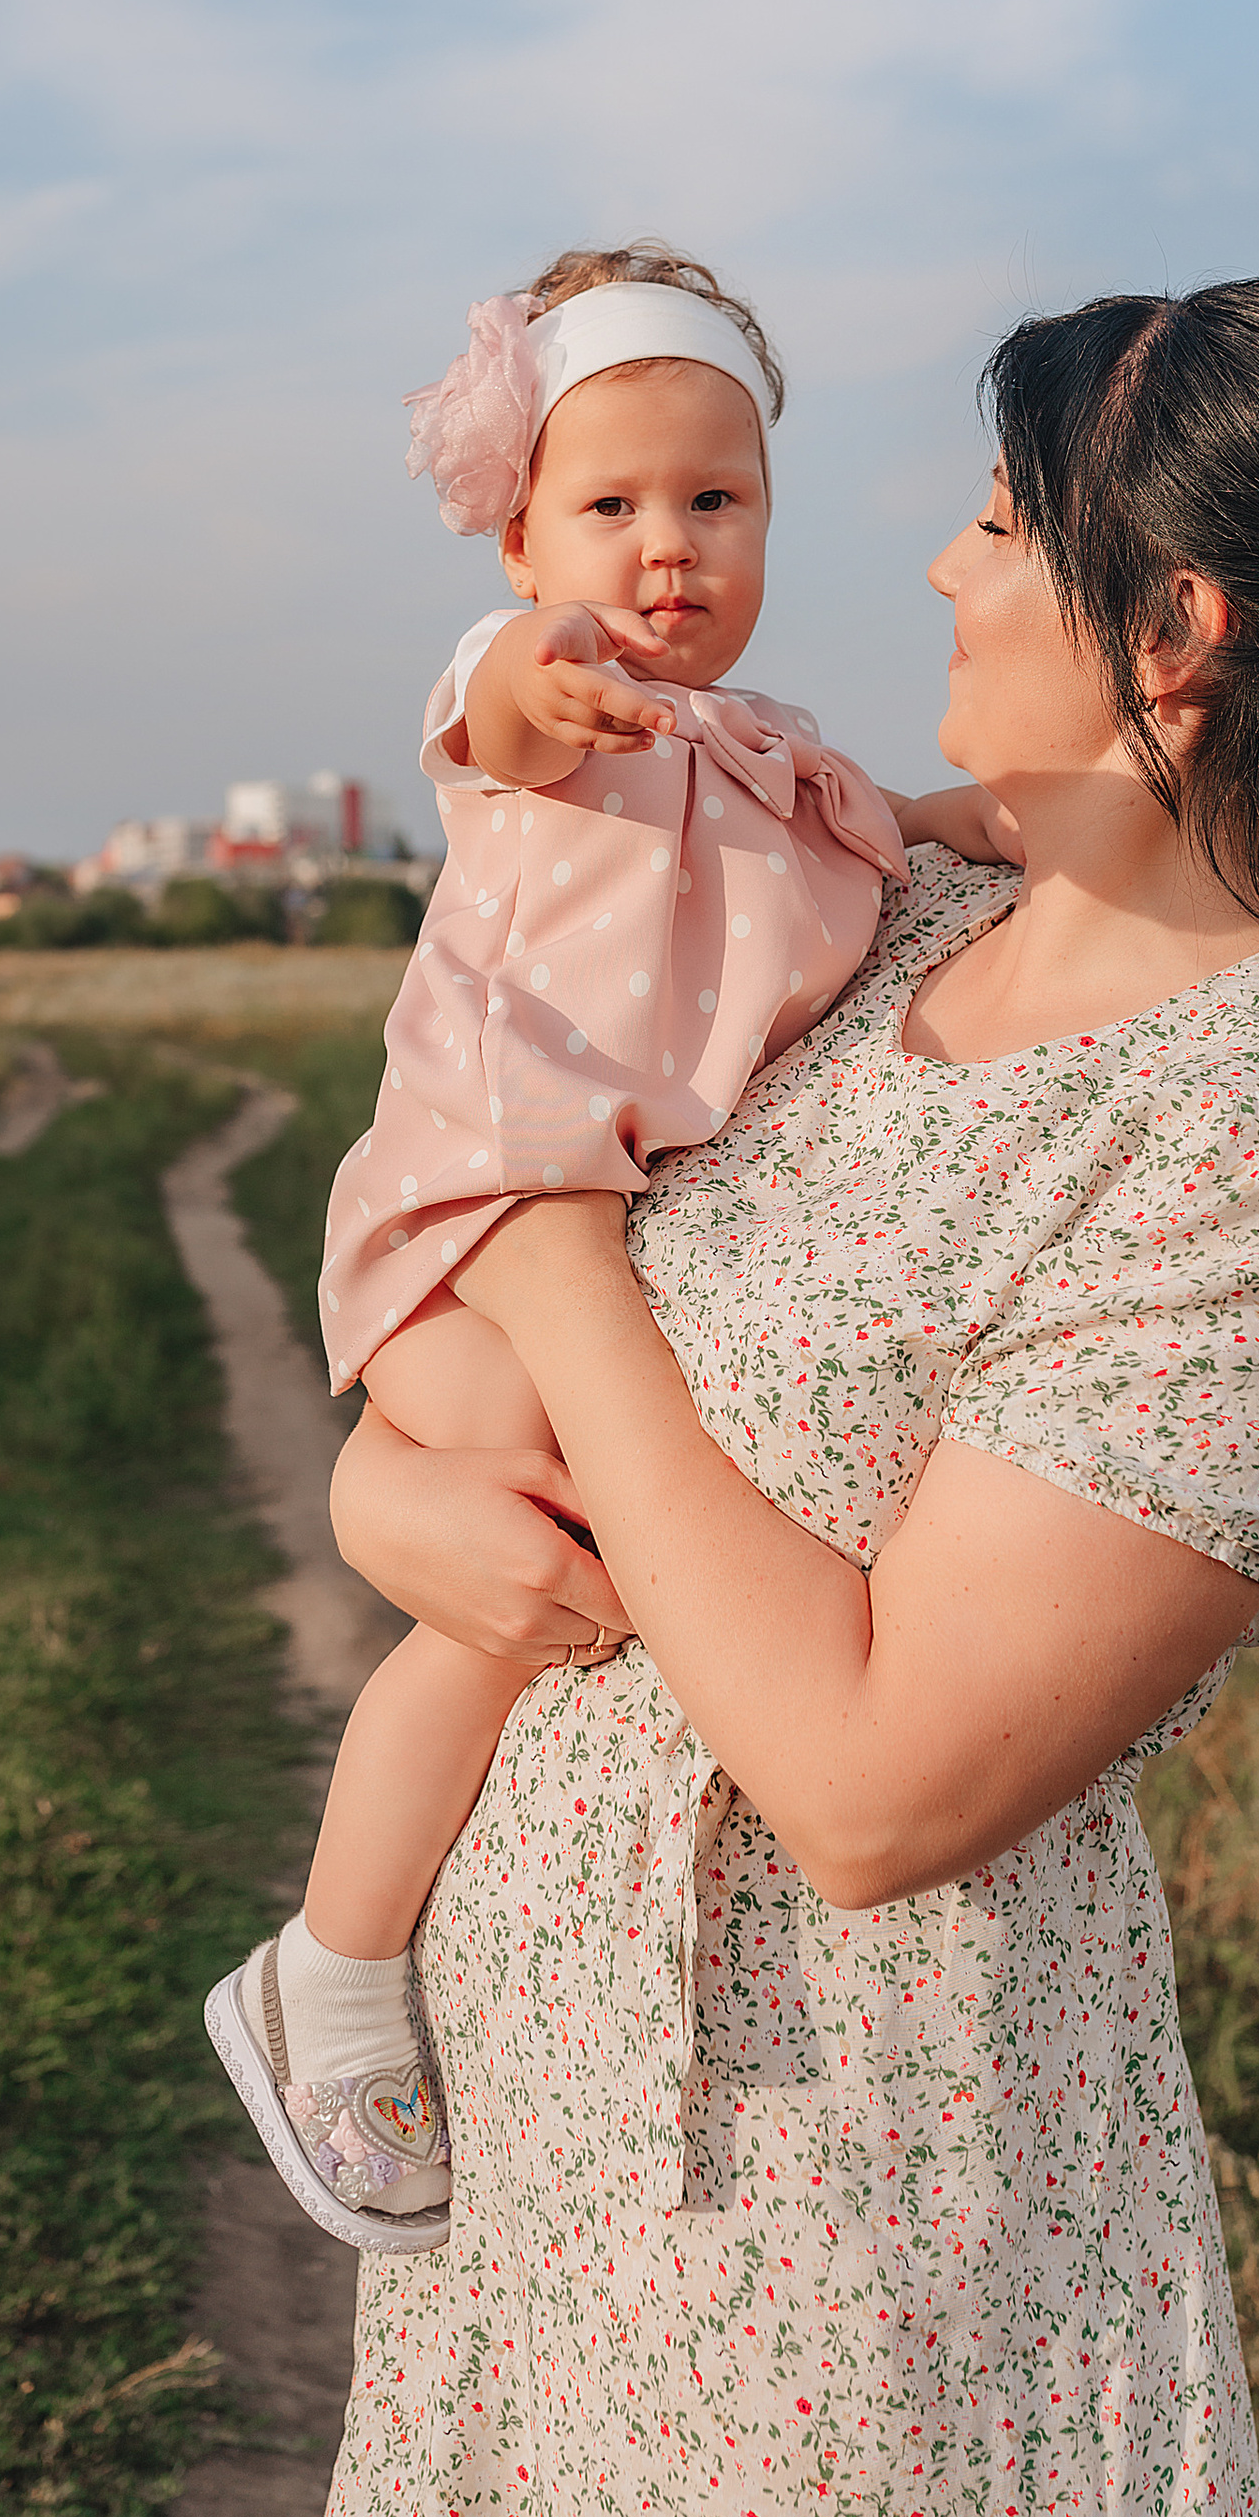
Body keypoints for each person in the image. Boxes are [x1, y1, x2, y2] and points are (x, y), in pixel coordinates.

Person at [248, 272, 1259, 2517]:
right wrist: (390, 1492)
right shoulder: (896, 931)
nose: (943, 564)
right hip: (571, 2183)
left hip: (856, 2239)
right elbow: (573, 1340)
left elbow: (872, 1781)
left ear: (1171, 629)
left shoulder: (1253, 1164)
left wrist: (536, 1260)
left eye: (999, 522)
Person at [208, 248, 1007, 2241]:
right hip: (486, 1214)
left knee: (532, 1586)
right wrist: (540, 673)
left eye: (712, 501)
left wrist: (1036, 813)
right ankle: (328, 1957)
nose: (664, 549)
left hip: (609, 1233)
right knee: (537, 1536)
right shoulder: (549, 719)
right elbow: (493, 708)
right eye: (610, 504)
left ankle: (361, 1947)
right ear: (519, 531)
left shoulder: (773, 757)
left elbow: (907, 823)